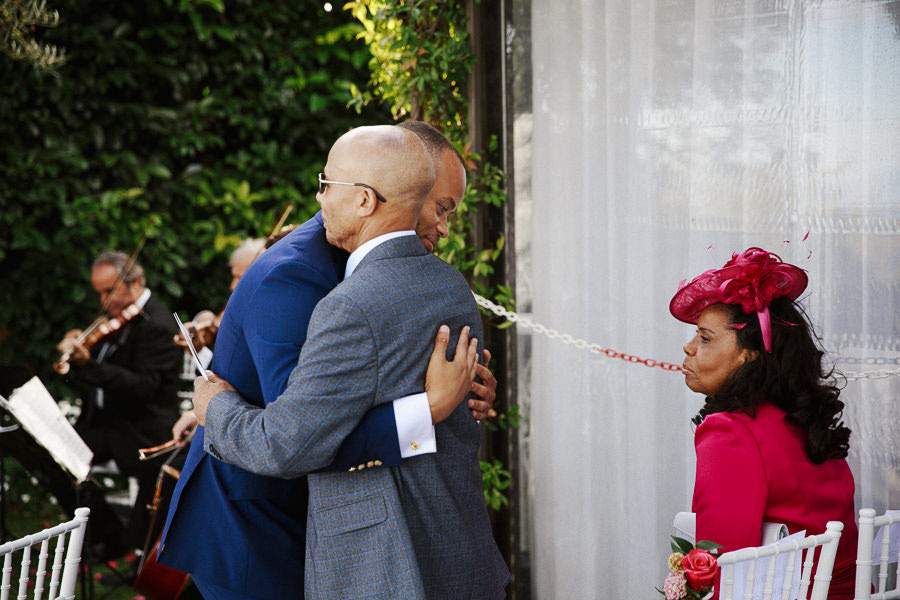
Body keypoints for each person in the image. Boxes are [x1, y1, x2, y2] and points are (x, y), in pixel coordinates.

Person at [159, 122, 501, 600]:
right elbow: (297, 437)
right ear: (388, 191)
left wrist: (466, 391)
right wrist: (429, 409)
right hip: (258, 526)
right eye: (438, 205)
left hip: (329, 518)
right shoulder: (294, 278)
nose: (442, 226)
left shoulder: (400, 273)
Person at [669, 247, 858, 599]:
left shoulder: (729, 431)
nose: (688, 347)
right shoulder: (803, 417)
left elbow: (725, 565)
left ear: (749, 354)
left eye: (705, 338)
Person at [55, 250, 183, 558]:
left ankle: (119, 542)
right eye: (98, 292)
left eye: (108, 291)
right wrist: (80, 348)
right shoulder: (118, 319)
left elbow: (142, 388)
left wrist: (90, 366)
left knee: (66, 462)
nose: (103, 301)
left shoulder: (158, 324)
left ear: (135, 282)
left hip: (142, 428)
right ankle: (107, 534)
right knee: (54, 459)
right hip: (109, 422)